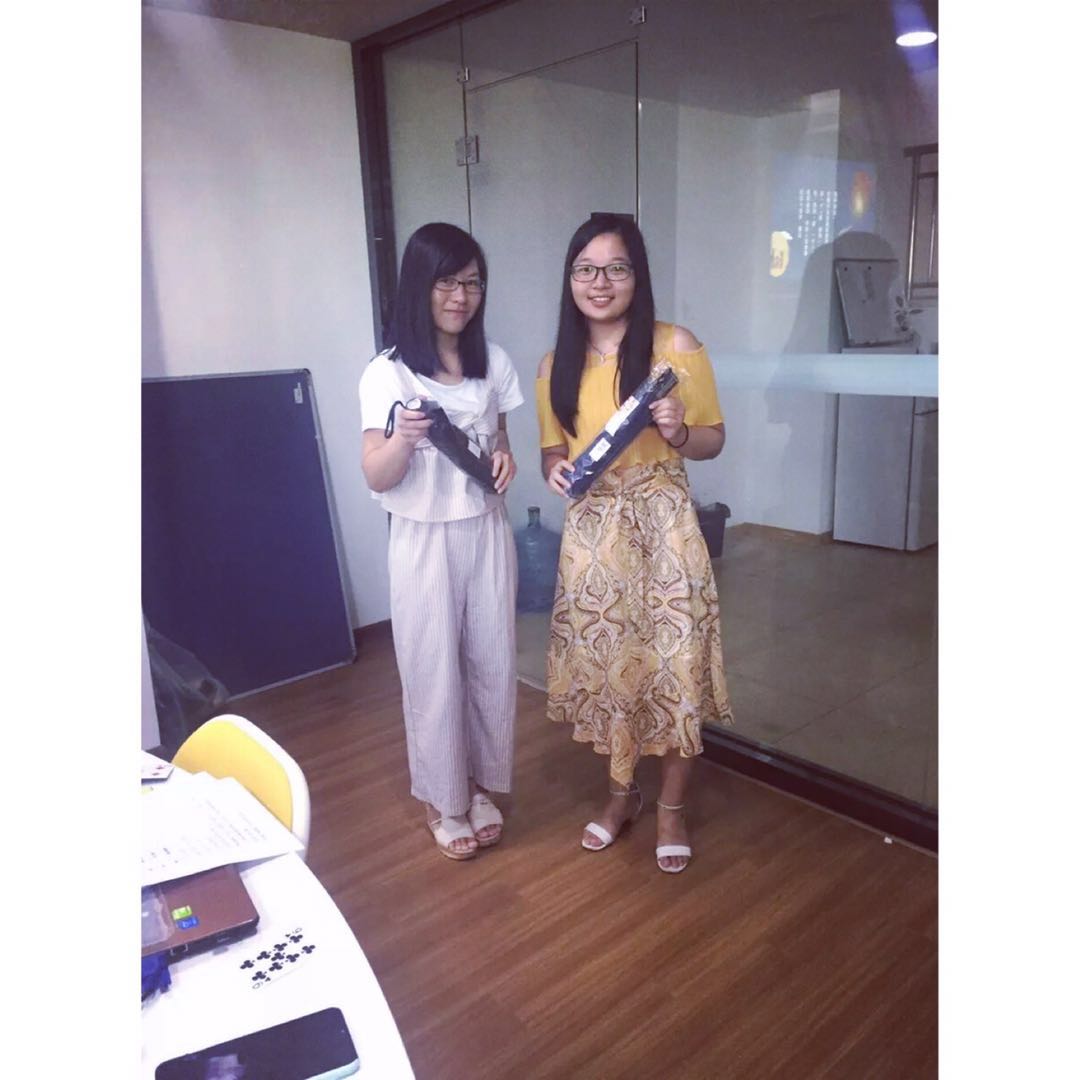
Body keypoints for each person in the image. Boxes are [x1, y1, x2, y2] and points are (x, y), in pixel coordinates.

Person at [536, 214, 735, 874]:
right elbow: (552, 450)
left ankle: (672, 808)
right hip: (594, 533)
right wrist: (553, 469)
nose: (600, 282)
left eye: (616, 268)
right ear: (570, 279)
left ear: (637, 276)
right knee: (612, 668)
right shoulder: (554, 365)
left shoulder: (675, 347)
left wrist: (678, 432)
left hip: (665, 522)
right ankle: (622, 795)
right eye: (586, 269)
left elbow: (712, 439)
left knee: (676, 663)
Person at [358, 222, 523, 861]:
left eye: (473, 283)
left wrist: (505, 460)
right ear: (419, 285)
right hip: (423, 537)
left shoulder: (493, 362)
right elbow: (376, 474)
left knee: (490, 662)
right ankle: (439, 798)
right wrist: (403, 440)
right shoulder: (387, 374)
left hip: (486, 530)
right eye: (446, 281)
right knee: (432, 670)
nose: (461, 296)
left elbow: (499, 444)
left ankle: (477, 785)